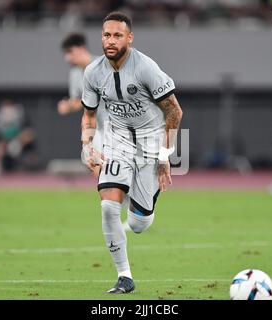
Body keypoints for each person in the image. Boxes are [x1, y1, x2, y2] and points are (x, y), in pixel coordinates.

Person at [81, 12, 183, 294]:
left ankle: (138, 198)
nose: (110, 41)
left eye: (117, 35)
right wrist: (87, 145)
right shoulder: (92, 73)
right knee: (108, 206)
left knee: (138, 224)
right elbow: (88, 115)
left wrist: (165, 157)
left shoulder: (146, 68)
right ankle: (124, 276)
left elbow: (174, 110)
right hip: (117, 142)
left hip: (151, 145)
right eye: (106, 35)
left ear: (129, 38)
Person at [57, 33, 107, 177]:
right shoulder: (75, 73)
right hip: (96, 127)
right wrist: (69, 105)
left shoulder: (103, 65)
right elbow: (80, 101)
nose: (68, 58)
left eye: (70, 52)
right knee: (96, 167)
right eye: (66, 54)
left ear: (82, 48)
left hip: (116, 124)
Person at [0, 100, 37, 176]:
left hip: (19, 144)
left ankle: (28, 165)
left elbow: (29, 132)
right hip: (4, 144)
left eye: (9, 105)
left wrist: (17, 141)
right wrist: (5, 143)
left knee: (28, 134)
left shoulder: (21, 115)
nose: (7, 109)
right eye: (5, 106)